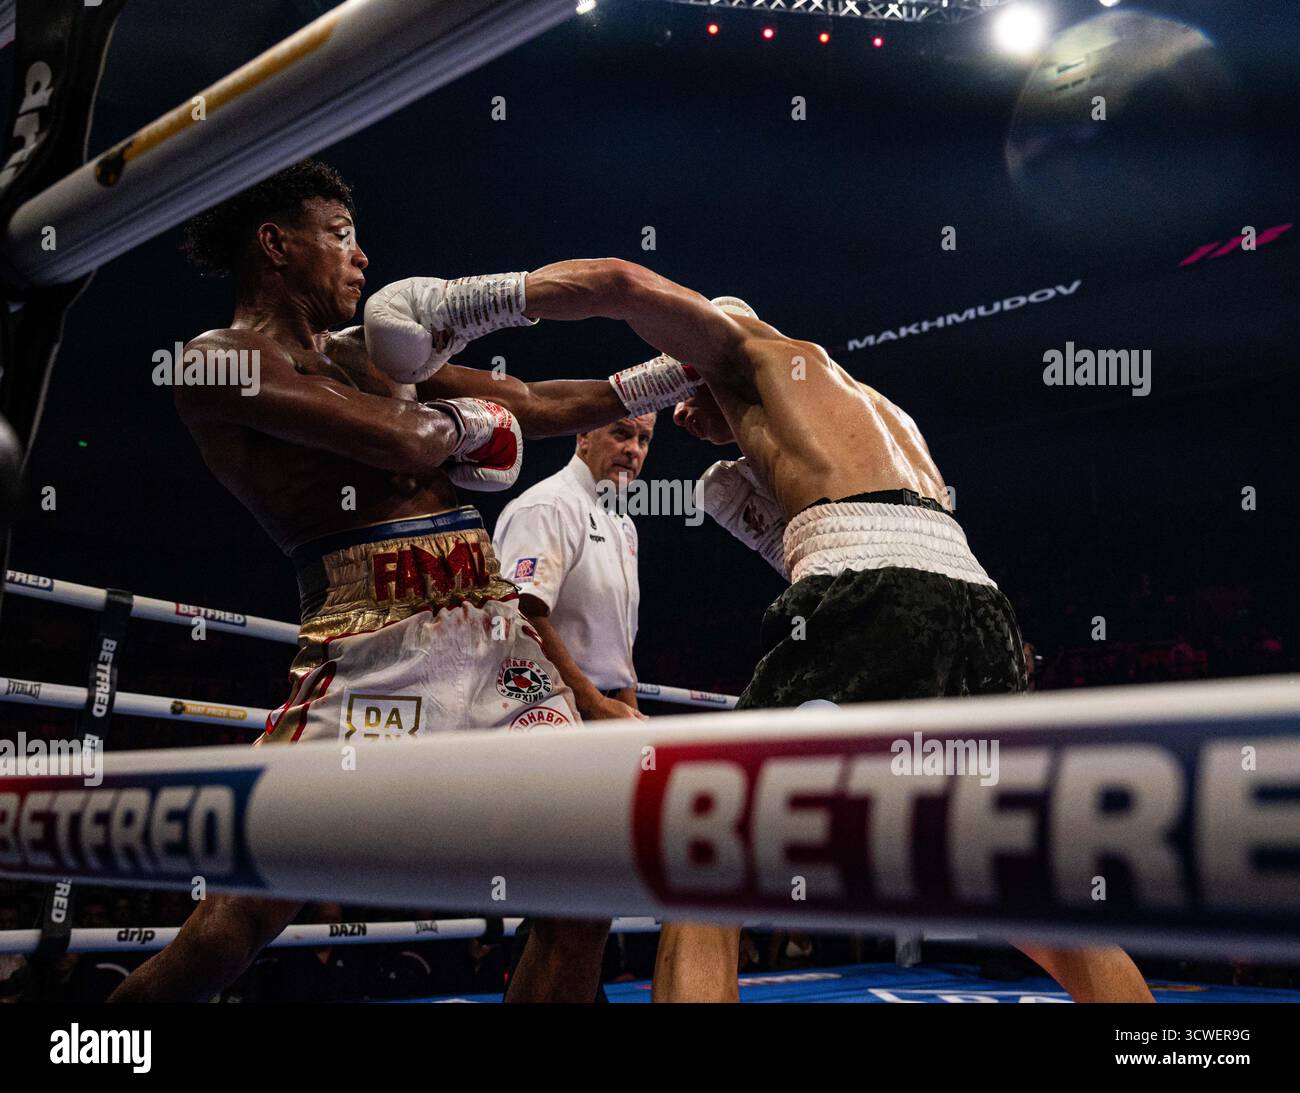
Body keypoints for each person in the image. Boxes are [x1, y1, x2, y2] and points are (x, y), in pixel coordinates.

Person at [109, 166, 697, 1003]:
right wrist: (462, 422)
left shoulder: (364, 353)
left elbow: (529, 398)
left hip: (492, 632)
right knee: (237, 919)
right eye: (341, 232)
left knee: (586, 876)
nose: (363, 254)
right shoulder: (214, 362)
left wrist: (673, 374)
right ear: (276, 244)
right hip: (369, 645)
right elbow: (407, 442)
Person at [517, 260, 1155, 1003]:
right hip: (978, 606)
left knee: (702, 862)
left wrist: (476, 303)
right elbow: (868, 537)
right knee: (1009, 883)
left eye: (685, 397)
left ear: (700, 360)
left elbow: (624, 285)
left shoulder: (744, 347)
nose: (686, 420)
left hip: (873, 585)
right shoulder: (870, 408)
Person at [492, 412, 656, 999]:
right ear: (581, 433)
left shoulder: (623, 526)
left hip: (598, 722)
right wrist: (589, 701)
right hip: (547, 714)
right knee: (577, 910)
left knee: (577, 913)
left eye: (643, 439)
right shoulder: (547, 506)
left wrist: (626, 706)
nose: (633, 449)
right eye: (621, 433)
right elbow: (520, 614)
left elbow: (617, 640)